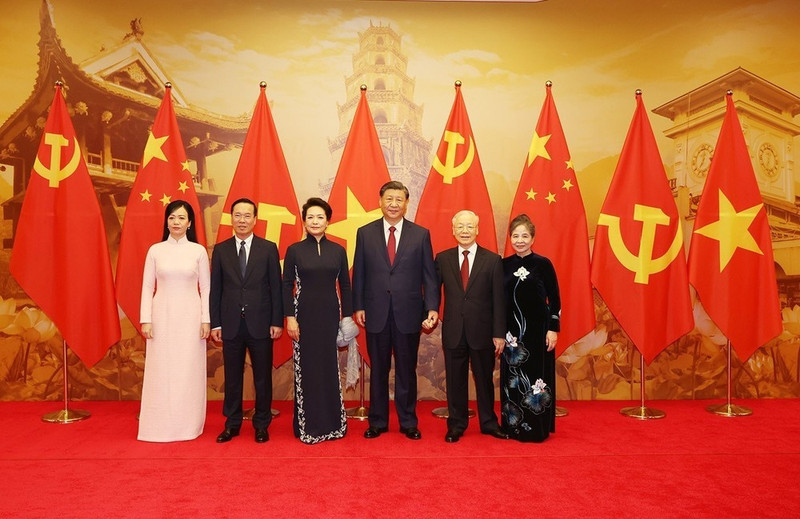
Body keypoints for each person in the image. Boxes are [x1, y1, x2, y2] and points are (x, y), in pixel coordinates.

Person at [352, 181, 439, 440]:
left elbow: (429, 277)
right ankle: (377, 421)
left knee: (406, 369)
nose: (393, 204)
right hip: (376, 312)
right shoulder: (365, 233)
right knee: (378, 369)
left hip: (408, 313)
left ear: (406, 203)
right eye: (388, 199)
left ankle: (408, 421)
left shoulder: (420, 234)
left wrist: (432, 307)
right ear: (380, 201)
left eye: (398, 199)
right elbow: (360, 273)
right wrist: (358, 305)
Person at [210, 197, 283, 443]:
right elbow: (215, 290)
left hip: (261, 323)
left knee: (262, 376)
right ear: (232, 218)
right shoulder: (221, 250)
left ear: (254, 219)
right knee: (232, 377)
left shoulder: (268, 248)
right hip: (230, 324)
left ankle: (262, 424)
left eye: (247, 215)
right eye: (237, 215)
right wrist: (216, 323)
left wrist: (276, 321)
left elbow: (276, 288)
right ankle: (232, 424)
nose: (242, 220)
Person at [431, 210, 507, 443]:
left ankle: (488, 423)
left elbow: (499, 300)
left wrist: (498, 333)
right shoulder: (443, 259)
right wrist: (431, 311)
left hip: (483, 331)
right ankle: (456, 424)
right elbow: (434, 292)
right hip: (453, 330)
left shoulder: (492, 260)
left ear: (477, 229)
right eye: (460, 227)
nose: (465, 231)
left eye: (469, 227)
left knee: (484, 379)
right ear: (453, 230)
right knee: (455, 381)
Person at [138, 200, 210, 442]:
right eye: (172, 218)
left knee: (188, 369)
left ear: (190, 223)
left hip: (191, 317)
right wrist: (146, 319)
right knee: (162, 368)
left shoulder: (198, 251)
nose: (176, 222)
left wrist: (206, 320)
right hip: (161, 316)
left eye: (181, 218)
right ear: (166, 221)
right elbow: (148, 287)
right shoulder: (155, 250)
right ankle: (159, 423)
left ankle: (188, 424)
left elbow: (206, 289)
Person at [283, 198, 352, 444]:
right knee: (307, 370)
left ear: (328, 221)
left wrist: (347, 318)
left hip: (330, 317)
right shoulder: (294, 250)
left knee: (329, 370)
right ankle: (307, 425)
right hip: (303, 318)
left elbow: (345, 285)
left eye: (320, 217)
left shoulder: (338, 250)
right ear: (304, 221)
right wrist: (290, 318)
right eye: (310, 217)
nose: (315, 221)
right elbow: (286, 285)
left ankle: (333, 423)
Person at [501, 214, 560, 442]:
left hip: (538, 332)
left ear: (533, 238)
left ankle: (536, 429)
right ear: (510, 238)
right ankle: (512, 427)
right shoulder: (504, 265)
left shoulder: (543, 264)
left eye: (525, 236)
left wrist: (553, 329)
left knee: (536, 378)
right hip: (512, 336)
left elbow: (555, 299)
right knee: (512, 379)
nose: (520, 240)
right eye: (515, 236)